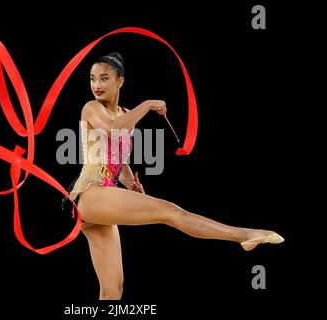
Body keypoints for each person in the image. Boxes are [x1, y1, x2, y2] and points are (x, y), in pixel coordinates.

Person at [65, 52, 284, 300]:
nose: (96, 85)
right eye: (93, 78)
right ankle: (244, 235)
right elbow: (113, 129)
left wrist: (130, 183)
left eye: (104, 78)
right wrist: (148, 104)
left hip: (104, 200)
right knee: (171, 212)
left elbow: (117, 158)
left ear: (120, 81)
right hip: (90, 193)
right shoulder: (91, 108)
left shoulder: (126, 115)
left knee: (112, 291)